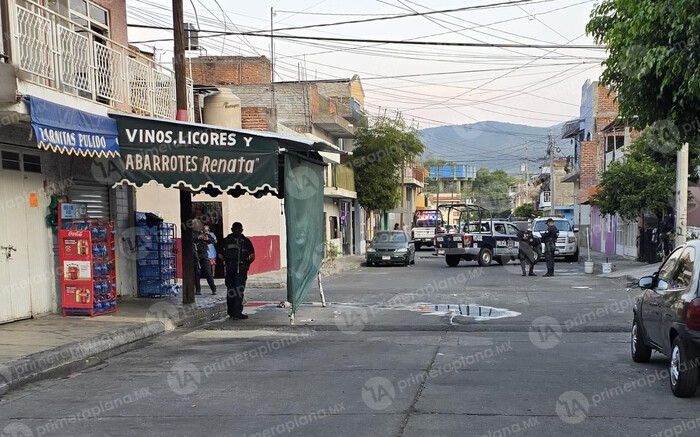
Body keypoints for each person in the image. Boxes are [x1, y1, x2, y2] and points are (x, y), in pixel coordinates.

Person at [219, 222, 255, 319]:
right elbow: (252, 256)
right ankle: (236, 312)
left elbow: (220, 255)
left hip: (232, 267)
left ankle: (232, 312)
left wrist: (227, 262)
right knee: (238, 290)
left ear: (231, 229)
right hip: (239, 267)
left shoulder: (226, 241)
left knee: (231, 290)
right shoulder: (246, 241)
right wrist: (246, 265)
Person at [192, 219, 216, 295]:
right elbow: (191, 240)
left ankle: (213, 289)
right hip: (195, 253)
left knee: (208, 272)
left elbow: (212, 240)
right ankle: (198, 290)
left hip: (204, 254)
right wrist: (198, 238)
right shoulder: (191, 233)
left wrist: (207, 239)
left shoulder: (203, 233)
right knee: (197, 272)